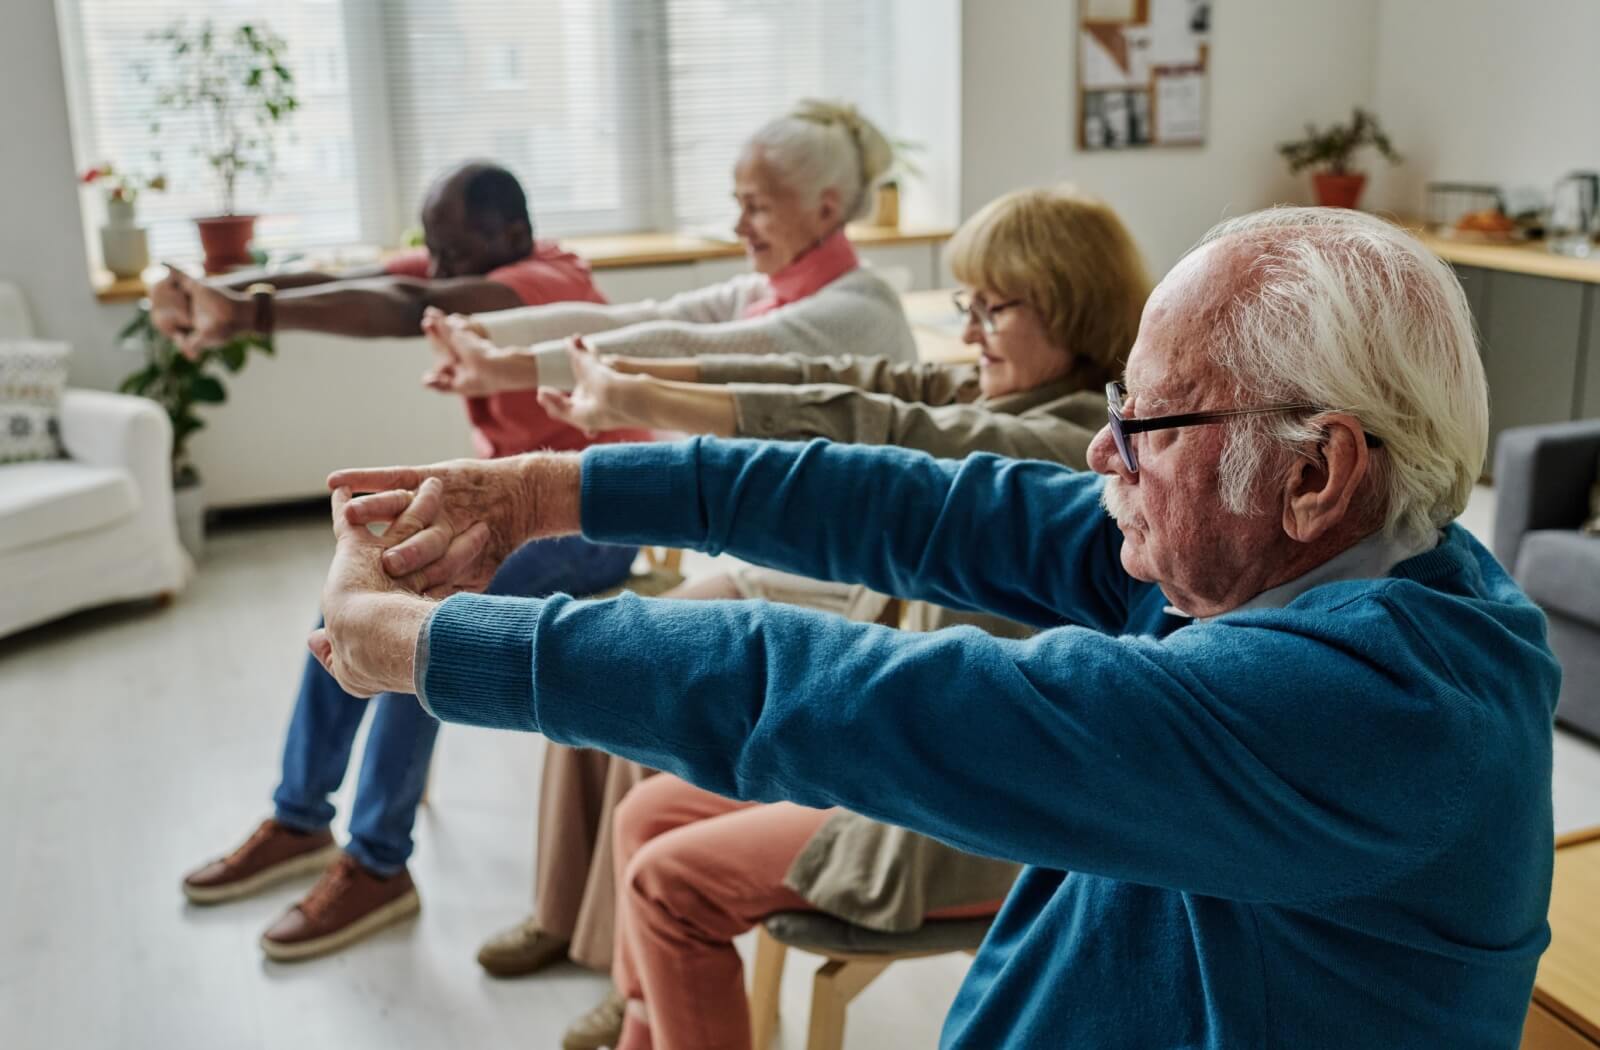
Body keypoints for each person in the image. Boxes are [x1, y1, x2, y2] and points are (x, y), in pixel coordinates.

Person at [316, 205, 1559, 1049]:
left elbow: (837, 694)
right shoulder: (1280, 555)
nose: (1101, 450)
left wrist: (433, 647)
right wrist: (553, 489)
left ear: (1316, 472)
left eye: (1150, 424)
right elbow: (928, 504)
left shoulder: (1371, 707)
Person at [525, 185, 1147, 1047]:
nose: (967, 331)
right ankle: (652, 1024)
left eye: (992, 310)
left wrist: (644, 409)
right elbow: (845, 381)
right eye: (966, 305)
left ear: (1072, 307)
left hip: (976, 812)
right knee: (645, 817)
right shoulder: (1007, 393)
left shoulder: (1067, 442)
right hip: (914, 756)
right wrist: (636, 387)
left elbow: (883, 424)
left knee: (667, 880)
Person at [415, 100, 919, 983]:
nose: (737, 224)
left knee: (628, 681)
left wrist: (509, 366)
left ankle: (627, 964)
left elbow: (695, 348)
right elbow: (631, 316)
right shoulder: (770, 286)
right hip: (765, 568)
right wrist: (491, 341)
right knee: (574, 670)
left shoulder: (856, 310)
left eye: (756, 205)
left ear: (828, 209)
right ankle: (564, 914)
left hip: (839, 590)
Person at [172, 162, 643, 963]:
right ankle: (299, 817)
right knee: (347, 596)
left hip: (594, 516)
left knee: (414, 624)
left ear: (511, 237)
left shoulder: (542, 284)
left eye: (453, 251)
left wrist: (252, 314)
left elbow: (399, 309)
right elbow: (350, 276)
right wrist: (224, 289)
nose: (438, 266)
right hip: (507, 504)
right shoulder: (470, 260)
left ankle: (379, 863)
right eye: (432, 247)